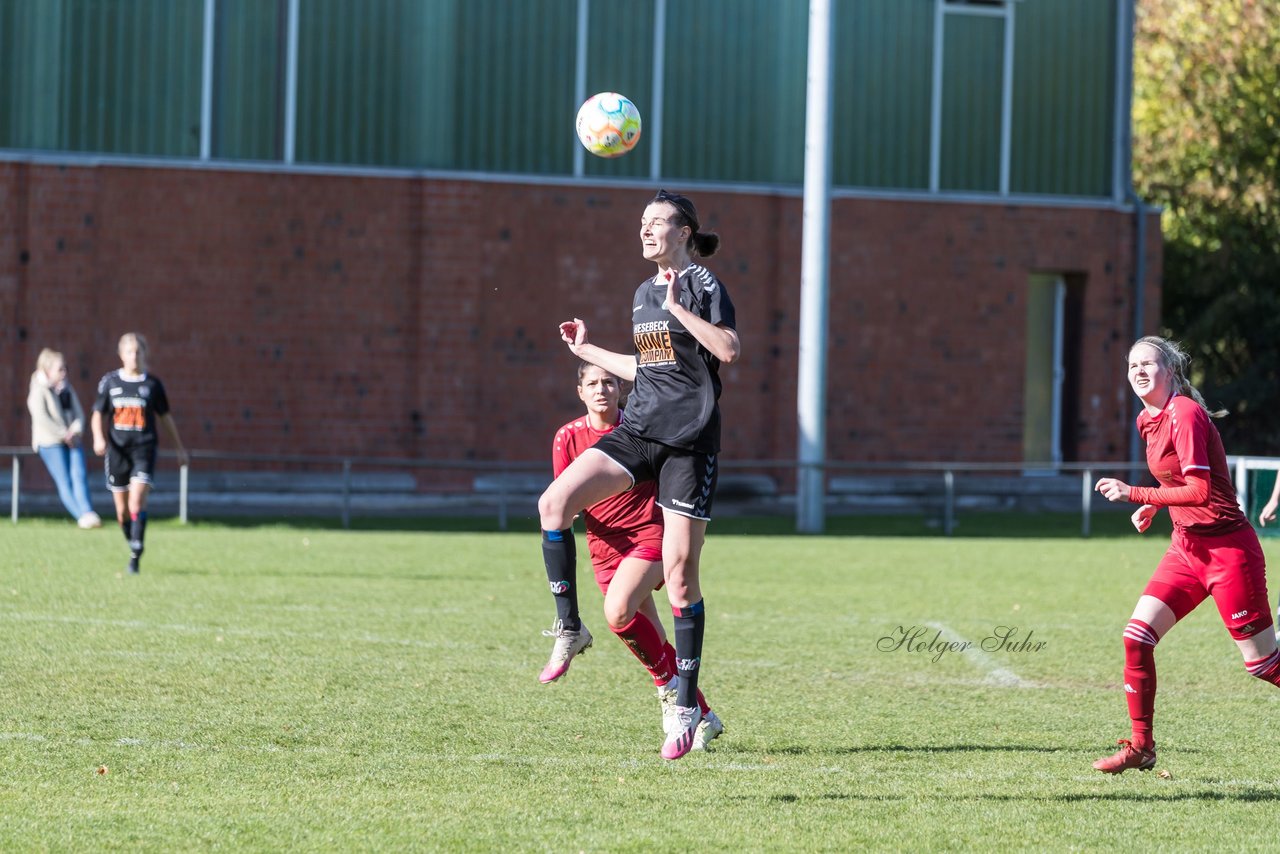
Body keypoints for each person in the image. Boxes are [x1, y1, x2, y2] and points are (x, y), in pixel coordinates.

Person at [538, 189, 739, 760]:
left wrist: (681, 309)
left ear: (684, 231)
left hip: (688, 443)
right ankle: (570, 629)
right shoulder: (642, 292)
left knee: (679, 577)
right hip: (640, 431)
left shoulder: (702, 285)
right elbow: (647, 369)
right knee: (555, 504)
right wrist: (589, 349)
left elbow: (728, 350)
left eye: (657, 223)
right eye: (642, 223)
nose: (646, 231)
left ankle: (683, 703)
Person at [1092, 335, 1280, 773]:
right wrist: (1153, 505)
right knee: (1136, 637)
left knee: (1265, 666)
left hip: (1228, 551)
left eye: (1148, 364)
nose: (1138, 371)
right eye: (1132, 365)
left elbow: (1201, 489)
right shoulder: (1147, 419)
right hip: (1186, 550)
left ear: (1171, 371)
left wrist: (1136, 493)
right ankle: (1142, 748)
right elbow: (1181, 484)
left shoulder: (1185, 414)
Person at [542, 361, 724, 749]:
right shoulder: (567, 437)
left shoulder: (641, 429)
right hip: (604, 547)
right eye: (592, 383)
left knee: (618, 611)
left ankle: (672, 698)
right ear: (580, 391)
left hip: (649, 535)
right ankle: (704, 715)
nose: (601, 389)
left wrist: (688, 534)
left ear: (622, 388)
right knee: (652, 640)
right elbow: (565, 501)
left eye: (609, 381)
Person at [91, 333, 189, 574]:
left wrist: (179, 448)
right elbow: (97, 414)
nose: (134, 356)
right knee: (122, 512)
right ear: (121, 354)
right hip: (117, 452)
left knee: (136, 500)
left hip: (143, 449)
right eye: (129, 352)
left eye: (138, 352)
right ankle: (132, 538)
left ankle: (136, 553)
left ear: (144, 354)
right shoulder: (111, 382)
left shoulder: (152, 385)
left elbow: (165, 417)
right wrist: (98, 437)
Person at [27, 348, 101, 528]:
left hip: (72, 440)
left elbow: (78, 414)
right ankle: (81, 517)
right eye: (60, 369)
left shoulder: (66, 389)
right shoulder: (38, 389)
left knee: (79, 475)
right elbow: (41, 417)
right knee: (65, 481)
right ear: (47, 370)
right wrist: (63, 434)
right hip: (50, 442)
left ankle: (88, 512)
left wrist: (74, 431)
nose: (64, 373)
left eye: (65, 368)